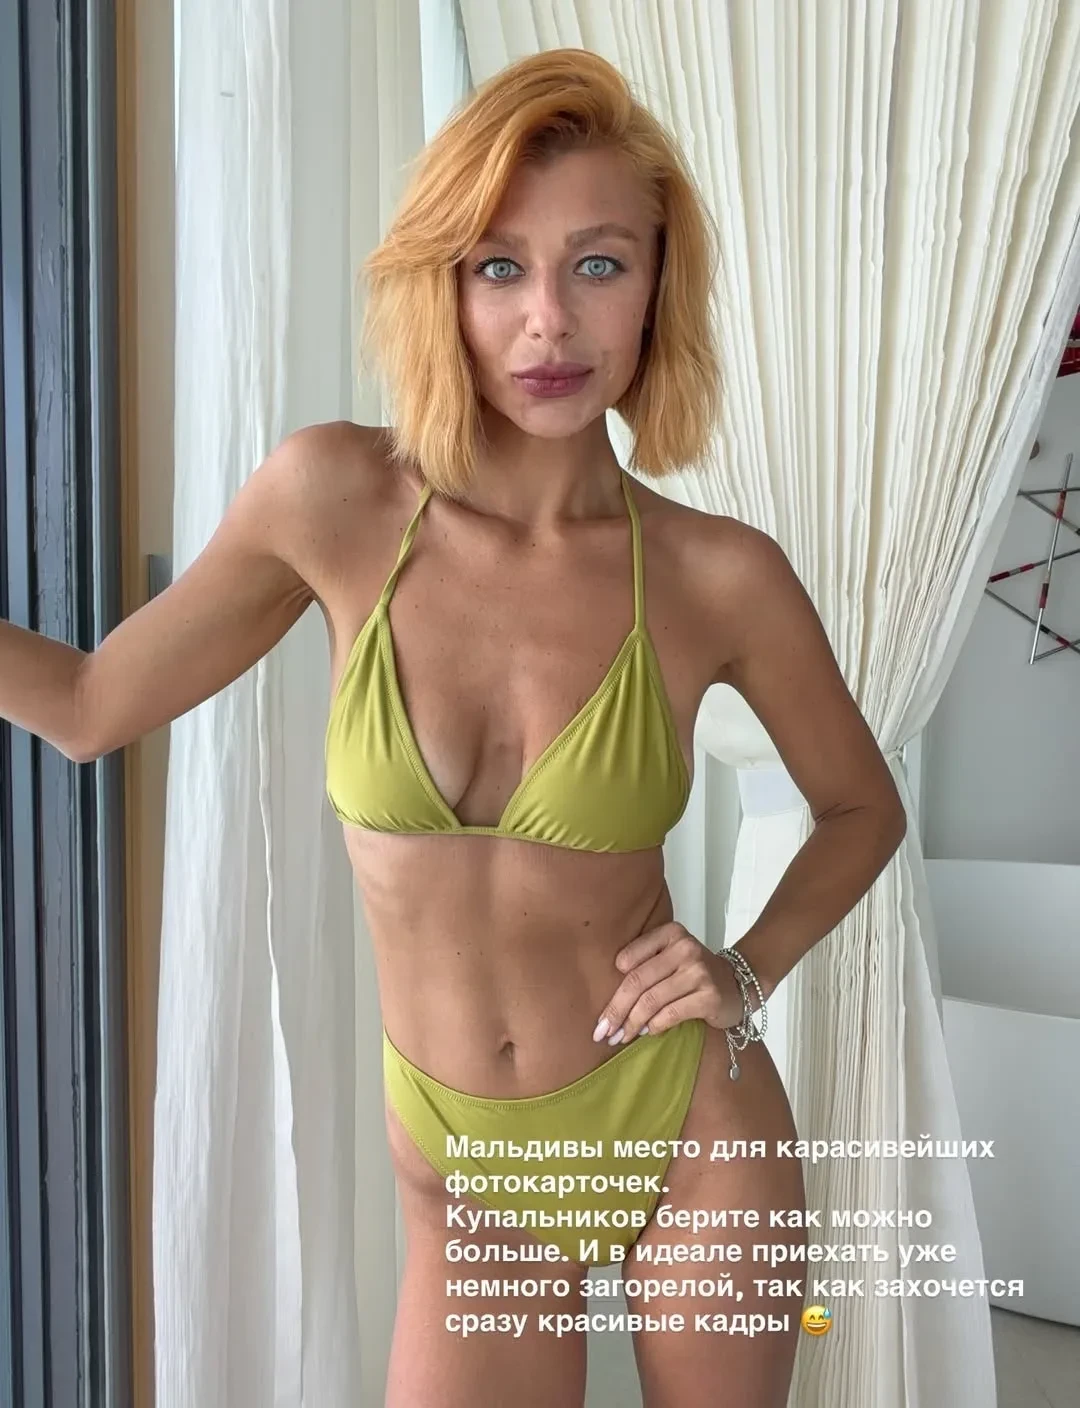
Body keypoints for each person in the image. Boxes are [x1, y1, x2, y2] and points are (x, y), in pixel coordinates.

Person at [0, 47, 906, 1408]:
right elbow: (86, 708)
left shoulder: (720, 574)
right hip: (468, 1160)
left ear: (658, 285)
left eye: (598, 265)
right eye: (498, 267)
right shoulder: (333, 501)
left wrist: (746, 968)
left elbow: (863, 807)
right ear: (445, 286)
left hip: (684, 1123)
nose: (550, 322)